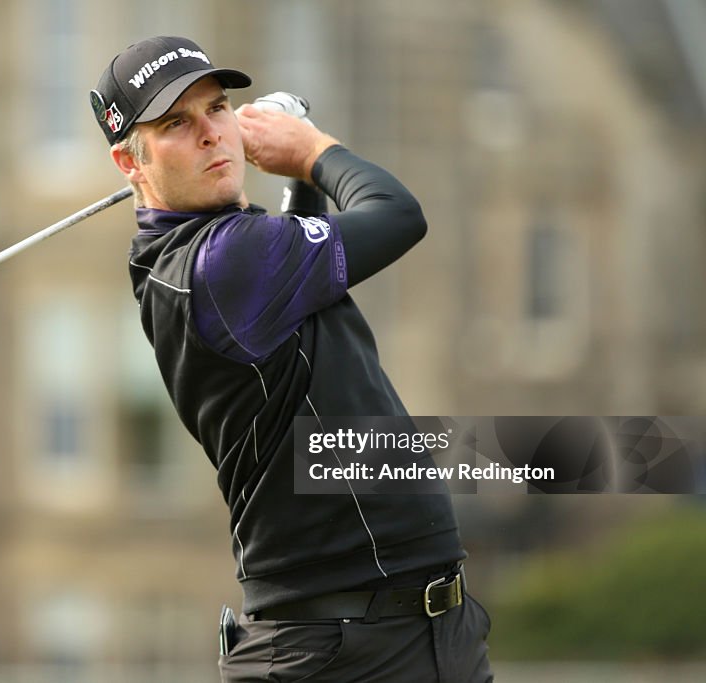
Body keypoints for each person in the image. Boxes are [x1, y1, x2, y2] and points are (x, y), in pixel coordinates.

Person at [91, 36, 493, 682]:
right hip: (341, 650)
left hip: (416, 632)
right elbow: (398, 215)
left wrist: (296, 188)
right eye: (175, 124)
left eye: (218, 109)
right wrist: (310, 153)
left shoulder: (210, 256)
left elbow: (295, 290)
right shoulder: (220, 264)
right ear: (128, 161)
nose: (210, 134)